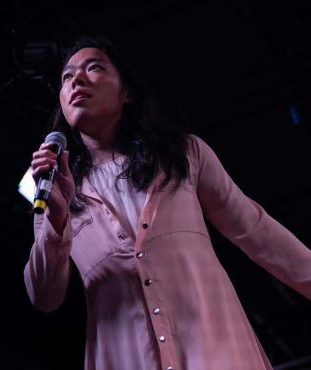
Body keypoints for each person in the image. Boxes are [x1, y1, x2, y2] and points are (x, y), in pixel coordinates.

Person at [24, 35, 311, 370]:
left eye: (94, 68)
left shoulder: (185, 154)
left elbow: (254, 229)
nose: (77, 81)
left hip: (215, 352)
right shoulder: (55, 191)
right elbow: (44, 296)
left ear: (127, 92)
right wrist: (56, 222)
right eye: (67, 77)